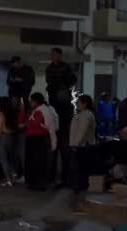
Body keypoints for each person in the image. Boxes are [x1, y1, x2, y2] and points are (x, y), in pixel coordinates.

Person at [46, 47, 76, 188]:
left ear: (60, 55)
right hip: (55, 111)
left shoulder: (66, 68)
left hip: (63, 119)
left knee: (64, 151)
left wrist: (62, 85)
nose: (53, 57)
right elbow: (49, 81)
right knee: (53, 151)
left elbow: (71, 80)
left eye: (55, 55)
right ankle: (52, 176)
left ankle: (66, 178)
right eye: (52, 55)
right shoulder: (50, 68)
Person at [69, 95, 96, 202]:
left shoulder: (86, 115)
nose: (77, 104)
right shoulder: (83, 114)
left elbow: (82, 132)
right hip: (81, 145)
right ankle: (78, 189)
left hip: (82, 146)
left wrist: (75, 145)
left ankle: (79, 190)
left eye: (79, 102)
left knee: (79, 169)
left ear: (85, 104)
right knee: (80, 169)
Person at [26, 93, 52, 191]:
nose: (30, 103)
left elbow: (47, 126)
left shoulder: (43, 110)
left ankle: (40, 184)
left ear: (36, 101)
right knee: (33, 161)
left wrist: (35, 123)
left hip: (39, 138)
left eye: (31, 101)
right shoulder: (35, 111)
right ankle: (34, 182)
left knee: (39, 161)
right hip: (33, 138)